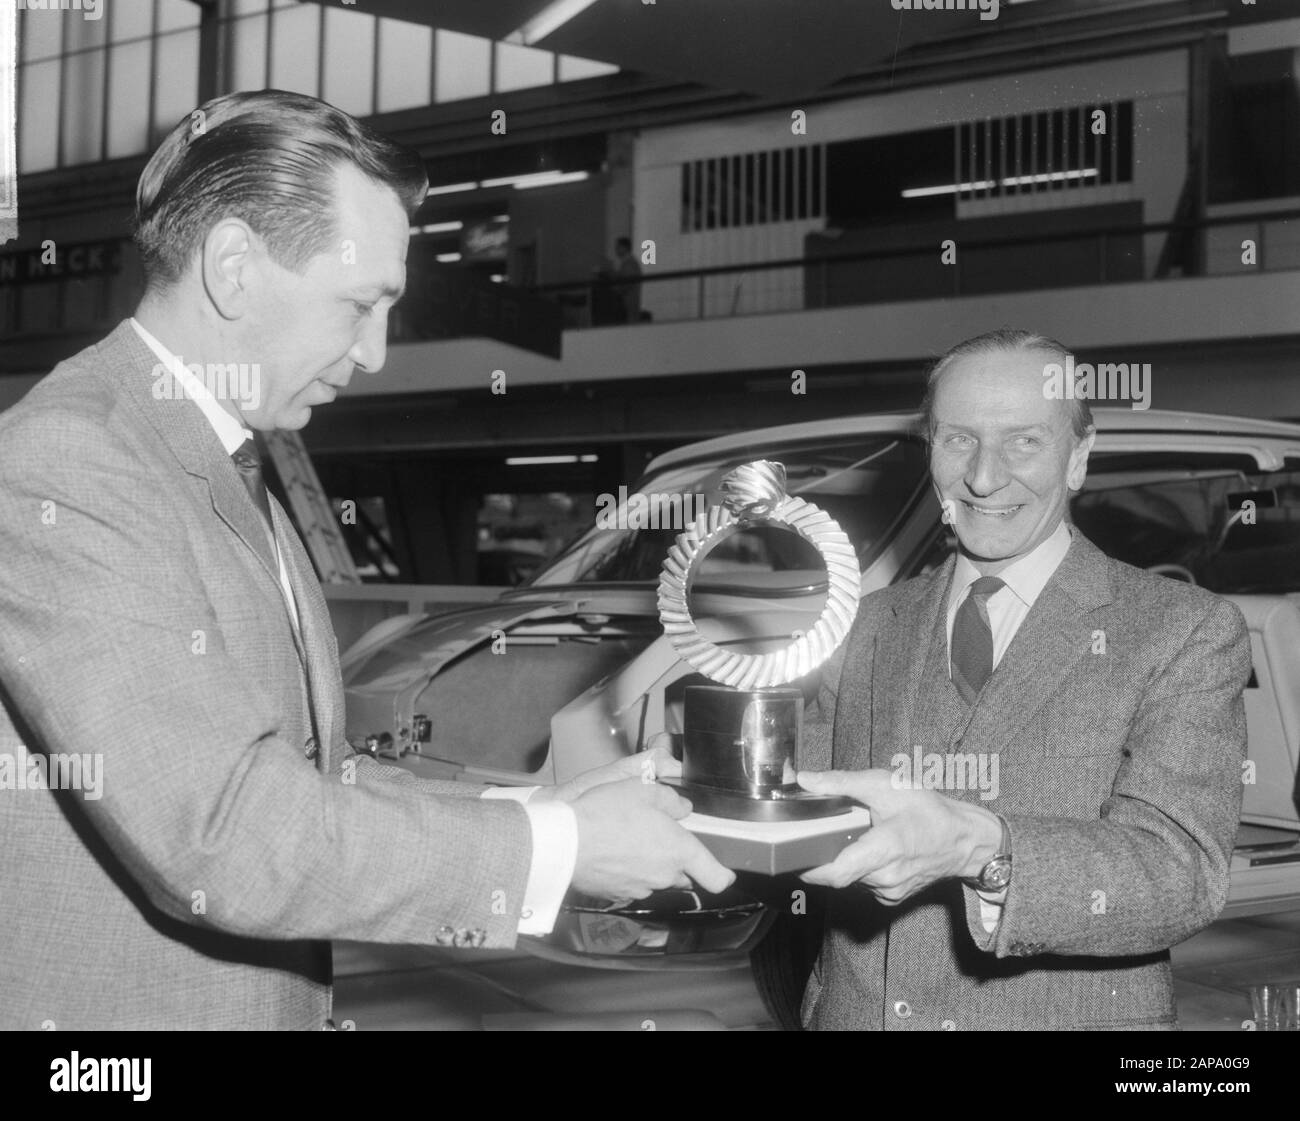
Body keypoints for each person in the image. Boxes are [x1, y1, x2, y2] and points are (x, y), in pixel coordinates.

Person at [0, 90, 732, 1031]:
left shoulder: (221, 458)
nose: (377, 353)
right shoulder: (76, 462)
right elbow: (228, 836)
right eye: (360, 304)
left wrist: (542, 800)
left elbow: (317, 771)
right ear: (234, 267)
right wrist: (556, 848)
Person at [796, 329, 1251, 1031]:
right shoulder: (863, 625)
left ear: (1078, 459)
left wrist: (985, 848)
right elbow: (800, 818)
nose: (983, 477)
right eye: (958, 440)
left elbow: (1180, 873)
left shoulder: (1181, 629)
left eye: (1024, 442)